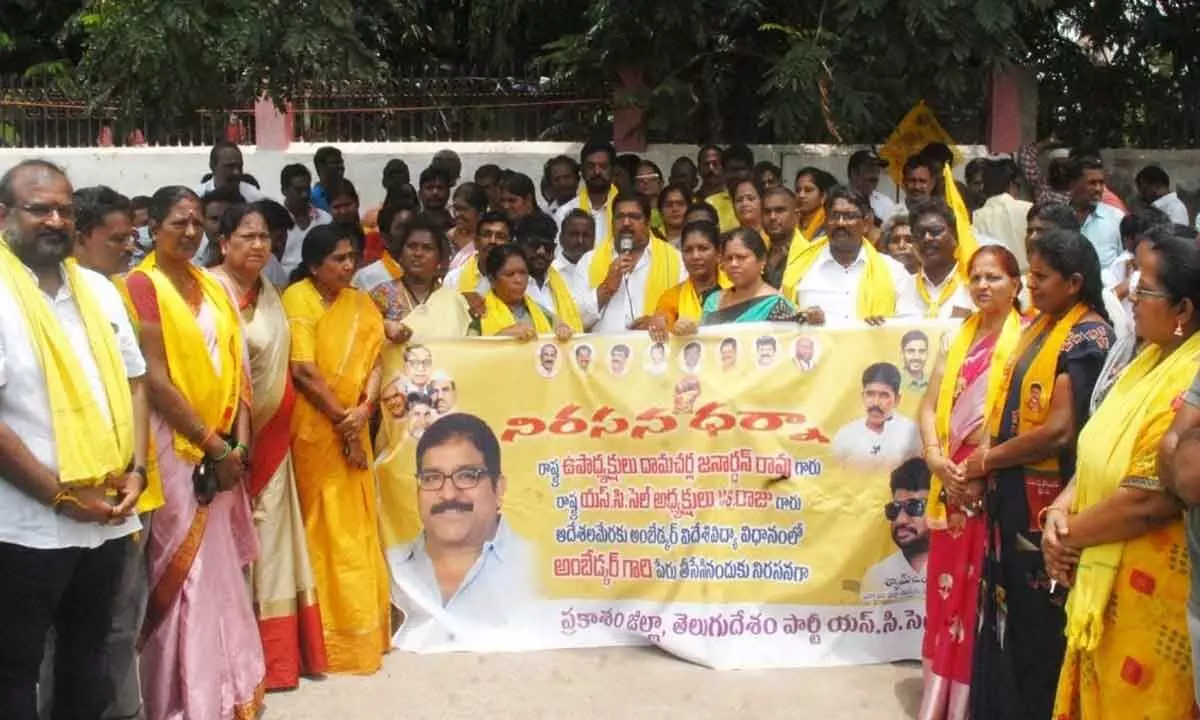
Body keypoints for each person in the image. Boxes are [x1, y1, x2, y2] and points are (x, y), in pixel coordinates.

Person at [0, 161, 148, 719]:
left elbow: (135, 383)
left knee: (89, 663)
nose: (56, 219)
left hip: (107, 518)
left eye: (64, 209)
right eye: (40, 208)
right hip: (24, 529)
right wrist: (61, 496)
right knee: (14, 671)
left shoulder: (99, 290)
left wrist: (136, 471)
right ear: (4, 216)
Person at [1037, 230, 1199, 718]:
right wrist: (1059, 513)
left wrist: (1065, 539)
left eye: (1143, 287)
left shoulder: (1190, 375)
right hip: (1100, 571)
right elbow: (1096, 449)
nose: (1128, 294)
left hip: (1152, 593)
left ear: (1183, 311)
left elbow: (1151, 499)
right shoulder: (1143, 355)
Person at [123, 186, 264, 718]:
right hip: (175, 448)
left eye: (196, 223)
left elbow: (239, 372)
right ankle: (182, 699)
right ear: (152, 227)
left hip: (223, 447)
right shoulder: (140, 285)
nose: (188, 232)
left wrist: (238, 446)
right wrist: (213, 445)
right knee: (184, 575)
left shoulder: (214, 284)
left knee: (221, 573)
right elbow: (154, 379)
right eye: (177, 222)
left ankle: (229, 690)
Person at [966, 228, 1114, 720]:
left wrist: (988, 460)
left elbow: (1059, 431)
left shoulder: (1087, 335)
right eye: (1029, 274)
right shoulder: (1040, 325)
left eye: (1041, 276)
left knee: (1040, 632)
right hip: (1013, 497)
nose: (1032, 285)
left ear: (1074, 283)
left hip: (1048, 505)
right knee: (1014, 624)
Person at [210, 202, 329, 691]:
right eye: (247, 237)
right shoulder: (210, 292)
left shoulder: (271, 293)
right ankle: (226, 661)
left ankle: (275, 661)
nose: (259, 245)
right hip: (222, 448)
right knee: (226, 552)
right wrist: (232, 443)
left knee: (274, 551)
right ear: (223, 244)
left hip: (275, 446)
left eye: (264, 237)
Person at [916, 245, 1024, 720]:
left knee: (979, 587)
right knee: (944, 589)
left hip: (991, 481)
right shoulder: (957, 337)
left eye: (994, 278)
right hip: (949, 481)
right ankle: (938, 699)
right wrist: (936, 459)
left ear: (1016, 284)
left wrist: (981, 470)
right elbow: (927, 404)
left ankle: (969, 702)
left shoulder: (1026, 340)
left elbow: (1023, 422)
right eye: (976, 278)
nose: (983, 287)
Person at [282, 223, 390, 674]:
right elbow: (303, 370)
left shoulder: (361, 303)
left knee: (355, 527)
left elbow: (376, 360)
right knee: (320, 527)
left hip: (354, 428)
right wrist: (342, 418)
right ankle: (322, 635)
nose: (349, 266)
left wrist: (363, 411)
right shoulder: (298, 300)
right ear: (312, 266)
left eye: (353, 258)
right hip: (314, 432)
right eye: (339, 259)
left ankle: (362, 632)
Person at [388, 413, 538, 651]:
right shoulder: (388, 565)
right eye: (432, 478)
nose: (448, 494)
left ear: (498, 489)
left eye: (467, 476)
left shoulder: (537, 568)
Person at [782, 186, 918, 325]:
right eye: (834, 216)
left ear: (866, 223)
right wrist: (802, 318)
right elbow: (781, 323)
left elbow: (910, 323)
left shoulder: (893, 271)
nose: (840, 223)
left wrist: (885, 324)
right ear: (825, 221)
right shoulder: (801, 268)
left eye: (849, 216)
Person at [578, 192, 686, 334]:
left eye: (634, 217)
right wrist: (605, 288)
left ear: (648, 223)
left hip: (654, 351)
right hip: (603, 353)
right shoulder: (589, 261)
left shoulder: (675, 260)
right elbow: (574, 319)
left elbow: (687, 314)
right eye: (620, 217)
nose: (626, 223)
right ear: (612, 222)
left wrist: (662, 320)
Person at [680, 228, 796, 330]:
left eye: (741, 257)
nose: (734, 264)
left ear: (762, 260)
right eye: (729, 258)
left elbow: (785, 347)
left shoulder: (776, 305)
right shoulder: (713, 301)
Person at [357, 218, 448, 345]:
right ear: (400, 253)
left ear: (440, 257)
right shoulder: (382, 295)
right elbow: (359, 331)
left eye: (427, 248)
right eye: (411, 246)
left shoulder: (451, 298)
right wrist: (384, 326)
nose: (418, 253)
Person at [467, 244, 574, 342]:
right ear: (492, 280)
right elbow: (470, 354)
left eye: (523, 273)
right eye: (510, 274)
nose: (518, 280)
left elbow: (561, 333)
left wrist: (563, 331)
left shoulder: (541, 313)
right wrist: (501, 337)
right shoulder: (478, 314)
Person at [860, 458, 930, 603]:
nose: (900, 520)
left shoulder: (958, 567)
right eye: (894, 509)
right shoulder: (876, 576)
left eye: (914, 507)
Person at [830, 362, 922, 470]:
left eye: (884, 395)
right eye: (870, 394)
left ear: (897, 399)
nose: (876, 403)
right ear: (862, 396)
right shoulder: (845, 435)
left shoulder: (912, 433)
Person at [646, 220, 721, 340]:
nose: (695, 256)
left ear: (718, 253)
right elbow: (664, 315)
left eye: (703, 248)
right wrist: (660, 320)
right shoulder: (673, 295)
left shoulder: (734, 287)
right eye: (688, 250)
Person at [902, 200, 974, 319]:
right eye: (920, 233)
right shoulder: (903, 285)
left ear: (955, 235)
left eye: (935, 232)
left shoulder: (972, 285)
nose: (927, 238)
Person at [515, 213, 586, 332]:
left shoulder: (563, 278)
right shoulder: (505, 283)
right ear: (519, 245)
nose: (541, 252)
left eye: (548, 247)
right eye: (534, 245)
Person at [1068, 155, 1125, 276]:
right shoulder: (1057, 218)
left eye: (1101, 183)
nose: (1098, 189)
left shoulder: (1117, 219)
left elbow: (1126, 264)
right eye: (1092, 183)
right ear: (1073, 184)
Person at [555, 140, 618, 246]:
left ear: (613, 170)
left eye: (603, 166)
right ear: (582, 170)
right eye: (591, 166)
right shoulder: (565, 212)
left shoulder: (625, 209)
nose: (597, 171)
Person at [972, 158, 1032, 270]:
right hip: (1028, 279)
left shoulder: (976, 217)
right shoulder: (1029, 209)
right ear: (1012, 184)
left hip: (994, 280)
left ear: (985, 187)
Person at [280, 164, 332, 277]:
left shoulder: (325, 219)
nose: (304, 195)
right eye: (298, 190)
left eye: (307, 189)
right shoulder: (274, 221)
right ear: (284, 191)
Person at [72, 185, 136, 277]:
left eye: (129, 238)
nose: (130, 248)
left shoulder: (116, 283)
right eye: (118, 239)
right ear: (81, 240)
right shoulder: (64, 289)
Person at [327, 180, 381, 264]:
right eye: (336, 207)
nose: (343, 211)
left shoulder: (373, 237)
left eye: (347, 205)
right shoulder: (323, 241)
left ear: (357, 202)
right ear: (328, 208)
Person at [195, 140, 264, 202]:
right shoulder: (197, 198)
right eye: (229, 166)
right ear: (213, 166)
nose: (236, 172)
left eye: (239, 166)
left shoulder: (255, 199)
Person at [706, 145, 754, 233]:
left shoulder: (761, 202)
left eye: (740, 169)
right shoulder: (711, 204)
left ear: (751, 171)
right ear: (723, 172)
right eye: (731, 170)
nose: (736, 175)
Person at [194, 185, 244, 268]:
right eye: (214, 219)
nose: (220, 225)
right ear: (202, 221)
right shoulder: (190, 256)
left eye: (227, 218)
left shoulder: (261, 259)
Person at [360, 158, 410, 231]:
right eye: (393, 177)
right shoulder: (371, 218)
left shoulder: (371, 217)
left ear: (384, 183)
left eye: (399, 177)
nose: (396, 182)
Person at [448, 182, 488, 271]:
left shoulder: (487, 241)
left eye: (463, 209)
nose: (457, 214)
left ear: (481, 211)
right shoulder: (448, 238)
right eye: (455, 208)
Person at [848, 149, 896, 221]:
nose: (875, 176)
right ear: (854, 173)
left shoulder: (886, 204)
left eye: (877, 171)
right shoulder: (836, 201)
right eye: (870, 170)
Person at [794, 166, 836, 242]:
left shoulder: (830, 224)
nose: (801, 195)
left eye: (808, 190)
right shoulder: (791, 221)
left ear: (822, 196)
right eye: (798, 190)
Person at [657, 183, 692, 248]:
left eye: (680, 204)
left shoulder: (698, 235)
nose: (675, 209)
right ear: (660, 211)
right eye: (669, 205)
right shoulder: (652, 237)